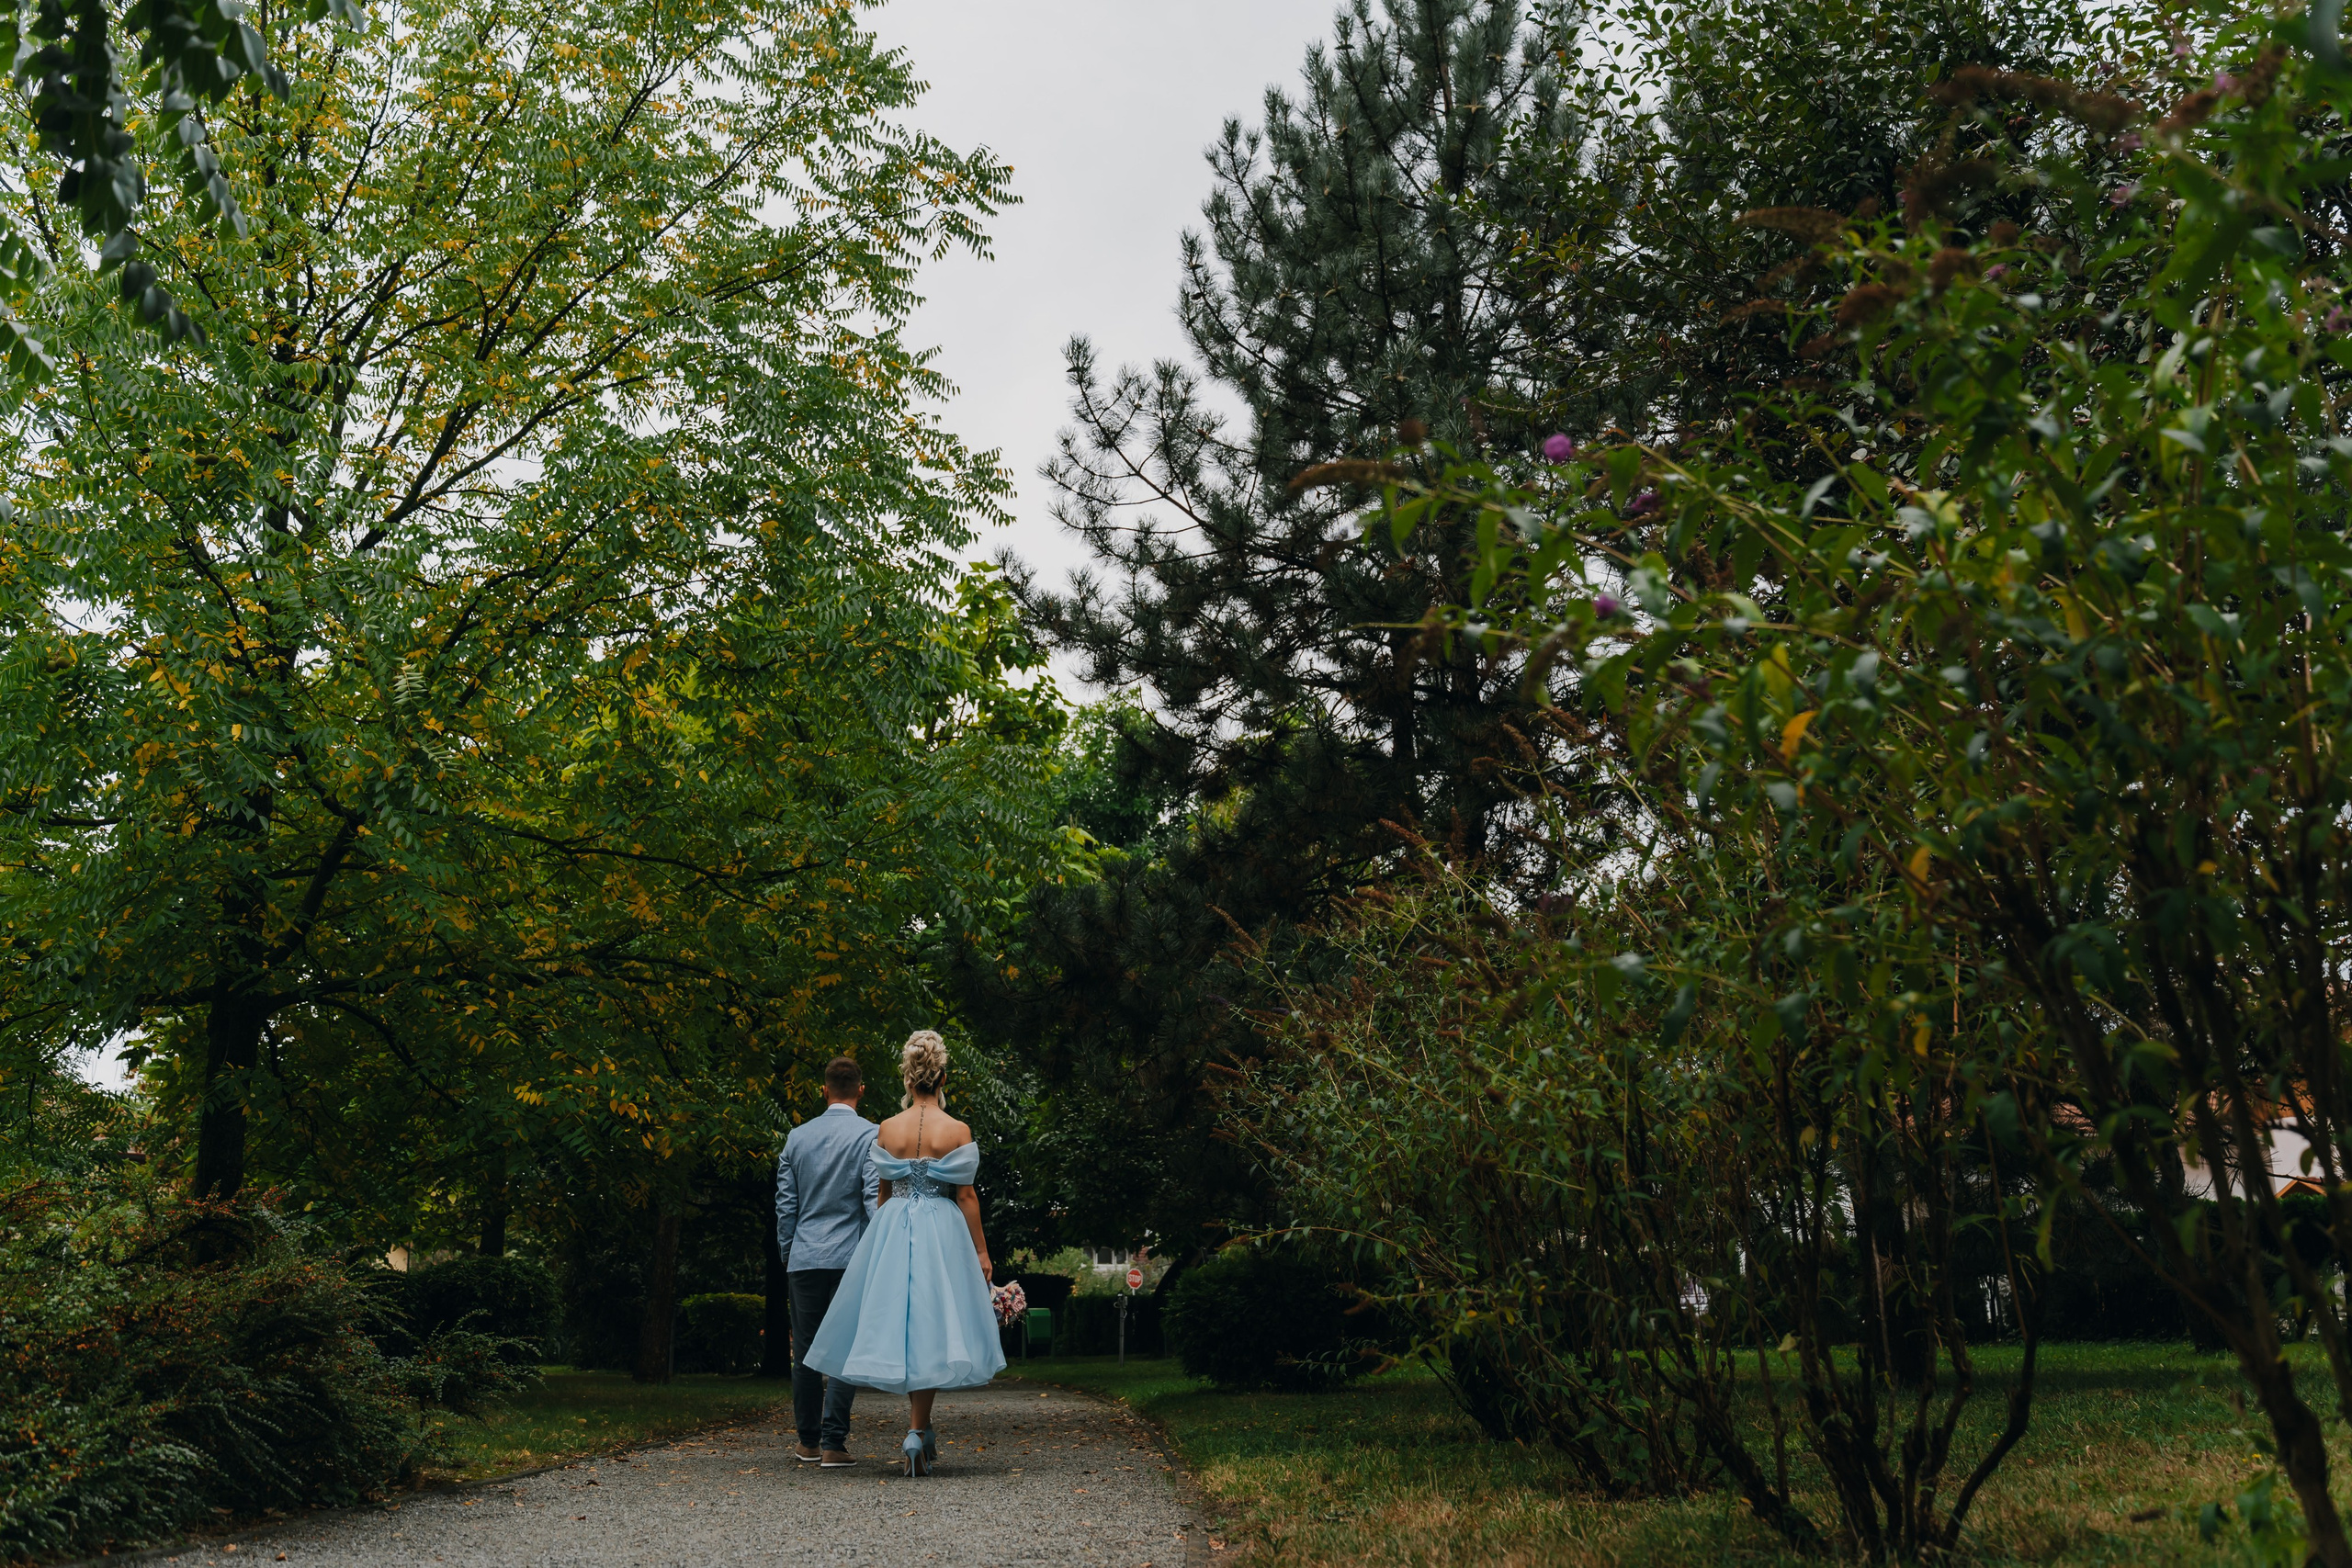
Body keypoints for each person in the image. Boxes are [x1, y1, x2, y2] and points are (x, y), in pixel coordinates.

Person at [800, 1029, 1005, 1476]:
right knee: (932, 1324)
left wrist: (881, 1240)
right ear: (943, 1078)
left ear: (909, 1080)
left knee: (908, 1326)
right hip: (941, 1225)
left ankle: (921, 1428)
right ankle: (916, 1432)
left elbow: (883, 1192)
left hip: (895, 1225)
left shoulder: (887, 1128)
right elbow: (966, 1195)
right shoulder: (957, 1130)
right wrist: (981, 1253)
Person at [775, 1054, 880, 1467]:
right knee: (844, 1349)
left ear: (824, 1090)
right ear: (861, 1090)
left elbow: (787, 1206)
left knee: (804, 1352)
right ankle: (835, 1444)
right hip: (850, 1258)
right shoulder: (871, 1136)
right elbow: (874, 1203)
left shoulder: (797, 1138)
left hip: (804, 1257)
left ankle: (808, 1443)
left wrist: (790, 1253)